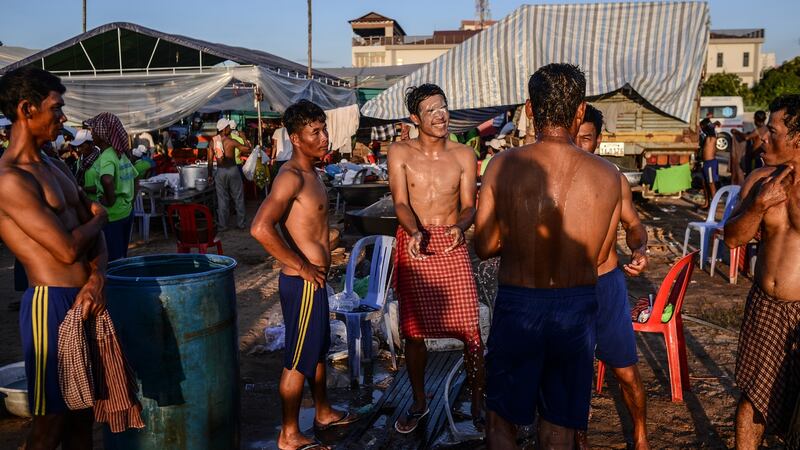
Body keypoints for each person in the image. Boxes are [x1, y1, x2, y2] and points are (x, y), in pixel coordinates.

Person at [474, 63, 622, 449]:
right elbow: (600, 254)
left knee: (501, 421)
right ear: (580, 111)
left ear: (529, 109)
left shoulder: (502, 165)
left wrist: (520, 237)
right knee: (559, 426)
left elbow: (484, 246)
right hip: (576, 307)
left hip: (520, 303)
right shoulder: (609, 176)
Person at [0, 66, 108, 449]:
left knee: (82, 416)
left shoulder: (55, 165)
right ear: (26, 109)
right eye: (56, 108)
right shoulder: (10, 179)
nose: (63, 117)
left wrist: (97, 279)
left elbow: (92, 232)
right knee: (50, 424)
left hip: (86, 298)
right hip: (51, 303)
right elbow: (65, 249)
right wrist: (101, 218)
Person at [251, 100, 357, 450]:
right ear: (296, 139)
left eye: (324, 130)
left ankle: (323, 412)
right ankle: (289, 434)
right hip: (302, 283)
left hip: (316, 281)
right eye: (315, 132)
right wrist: (302, 266)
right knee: (297, 360)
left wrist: (328, 243)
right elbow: (260, 228)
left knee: (317, 349)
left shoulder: (313, 173)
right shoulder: (291, 177)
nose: (324, 138)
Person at [388, 84, 485, 433]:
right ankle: (419, 402)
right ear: (415, 118)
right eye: (431, 110)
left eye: (443, 107)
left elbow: (470, 205)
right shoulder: (399, 152)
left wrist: (461, 226)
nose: (440, 115)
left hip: (450, 242)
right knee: (413, 333)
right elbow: (401, 202)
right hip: (414, 241)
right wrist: (414, 231)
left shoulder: (464, 155)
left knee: (471, 332)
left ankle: (478, 406)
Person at [724, 94, 800, 449]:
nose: (762, 137)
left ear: (797, 138)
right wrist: (758, 205)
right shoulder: (759, 179)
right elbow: (732, 238)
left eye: (773, 131)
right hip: (765, 306)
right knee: (753, 400)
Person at [575, 104, 650, 449]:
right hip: (569, 288)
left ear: (598, 140)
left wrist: (639, 249)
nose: (579, 144)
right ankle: (579, 438)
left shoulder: (613, 178)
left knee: (626, 371)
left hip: (606, 284)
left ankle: (641, 435)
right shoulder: (555, 180)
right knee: (572, 372)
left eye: (586, 138)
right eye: (574, 136)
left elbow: (633, 224)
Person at [86, 112, 137, 262]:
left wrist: (110, 200)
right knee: (122, 257)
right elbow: (135, 177)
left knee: (114, 260)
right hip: (126, 211)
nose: (91, 133)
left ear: (102, 134)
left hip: (113, 215)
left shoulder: (107, 156)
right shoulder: (121, 154)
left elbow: (107, 179)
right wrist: (131, 200)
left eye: (94, 130)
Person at [207, 118, 249, 230]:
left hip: (220, 171)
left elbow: (210, 160)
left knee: (222, 199)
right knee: (238, 198)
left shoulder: (212, 142)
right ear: (224, 129)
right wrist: (243, 137)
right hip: (233, 170)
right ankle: (241, 224)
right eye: (228, 127)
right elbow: (247, 149)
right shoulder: (231, 141)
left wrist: (210, 175)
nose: (230, 129)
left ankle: (223, 225)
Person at [733, 110, 769, 178]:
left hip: (757, 157)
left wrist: (737, 132)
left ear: (756, 120)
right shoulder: (768, 128)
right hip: (764, 156)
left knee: (753, 175)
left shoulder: (757, 130)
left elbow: (746, 137)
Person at [70, 128, 102, 201]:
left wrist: (82, 189)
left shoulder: (101, 160)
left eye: (82, 146)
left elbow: (104, 187)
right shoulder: (80, 160)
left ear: (92, 144)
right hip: (84, 201)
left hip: (98, 203)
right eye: (78, 146)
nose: (79, 149)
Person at [699, 117, 719, 209]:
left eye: (702, 127)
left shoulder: (712, 137)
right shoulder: (707, 137)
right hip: (705, 163)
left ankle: (713, 207)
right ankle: (707, 203)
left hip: (710, 163)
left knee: (711, 184)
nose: (701, 129)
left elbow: (710, 127)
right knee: (704, 184)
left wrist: (713, 123)